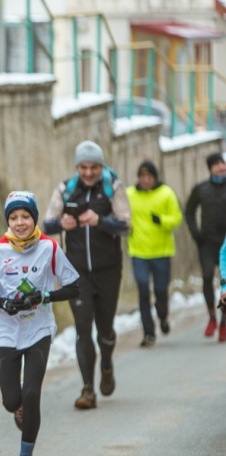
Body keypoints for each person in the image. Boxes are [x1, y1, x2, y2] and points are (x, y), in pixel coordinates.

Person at [0, 191, 79, 456]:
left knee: (31, 394)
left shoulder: (49, 247)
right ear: (8, 221)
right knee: (11, 400)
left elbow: (74, 287)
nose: (20, 222)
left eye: (25, 216)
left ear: (34, 218)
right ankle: (17, 410)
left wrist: (44, 297)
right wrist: (2, 302)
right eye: (14, 217)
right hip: (6, 332)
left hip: (39, 329)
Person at [42, 140, 130, 410]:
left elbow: (126, 225)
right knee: (83, 329)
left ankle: (106, 363)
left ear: (101, 166)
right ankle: (88, 389)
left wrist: (100, 221)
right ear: (77, 167)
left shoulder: (112, 187)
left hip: (108, 269)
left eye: (94, 167)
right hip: (76, 271)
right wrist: (62, 224)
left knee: (105, 328)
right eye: (83, 167)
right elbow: (46, 224)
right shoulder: (65, 189)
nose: (89, 172)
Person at [126, 160, 183, 348]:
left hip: (162, 251)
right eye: (142, 176)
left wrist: (162, 220)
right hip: (139, 252)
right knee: (143, 290)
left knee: (160, 291)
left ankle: (163, 316)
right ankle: (149, 333)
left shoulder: (166, 193)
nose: (145, 179)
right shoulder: (129, 194)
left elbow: (176, 217)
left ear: (155, 177)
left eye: (149, 176)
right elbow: (122, 215)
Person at [184, 152, 226, 341]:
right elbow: (189, 211)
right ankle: (211, 317)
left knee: (225, 282)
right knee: (207, 277)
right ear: (210, 168)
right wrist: (196, 234)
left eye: (222, 163)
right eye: (216, 164)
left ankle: (224, 321)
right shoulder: (201, 189)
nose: (220, 167)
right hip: (207, 243)